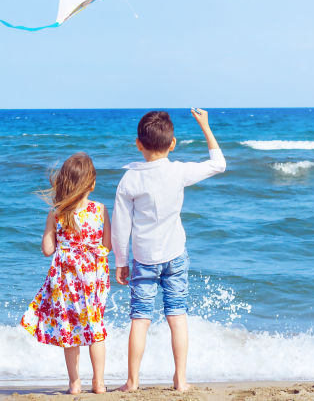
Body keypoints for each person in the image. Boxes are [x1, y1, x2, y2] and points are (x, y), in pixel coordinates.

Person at [112, 108, 225, 392]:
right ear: (172, 144)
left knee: (140, 318)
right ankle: (181, 379)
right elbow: (218, 164)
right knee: (177, 315)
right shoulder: (178, 171)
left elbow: (120, 226)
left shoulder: (130, 180)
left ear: (138, 144)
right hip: (175, 255)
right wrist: (205, 126)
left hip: (143, 258)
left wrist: (121, 262)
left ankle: (132, 381)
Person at [20, 152, 112, 394]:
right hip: (92, 280)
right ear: (92, 184)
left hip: (66, 282)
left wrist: (49, 232)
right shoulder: (100, 210)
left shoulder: (57, 213)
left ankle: (74, 384)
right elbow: (107, 246)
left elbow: (47, 250)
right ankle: (99, 383)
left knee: (70, 331)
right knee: (95, 329)